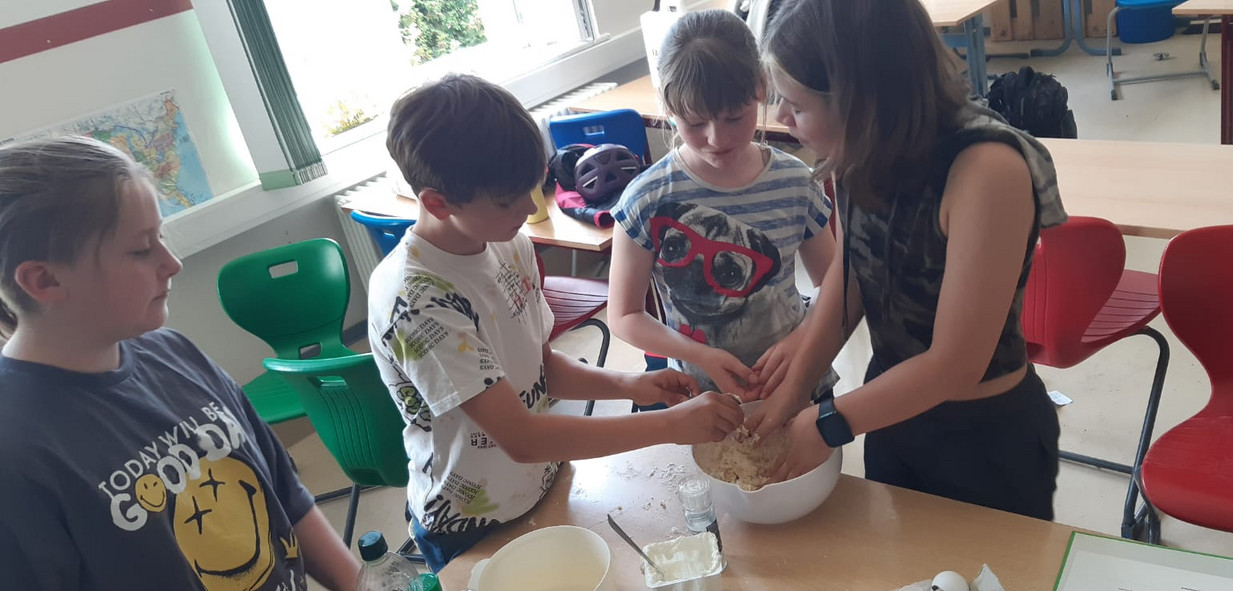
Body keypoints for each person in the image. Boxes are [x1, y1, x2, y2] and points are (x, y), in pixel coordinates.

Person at [370, 73, 745, 572]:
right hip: (470, 522)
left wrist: (632, 385)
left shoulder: (509, 243)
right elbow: (523, 438)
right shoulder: (417, 300)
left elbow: (539, 366)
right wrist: (670, 425)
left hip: (543, 484)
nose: (530, 209)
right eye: (507, 201)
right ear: (437, 202)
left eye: (531, 188)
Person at [750, 0, 1068, 521]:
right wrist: (794, 391)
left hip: (984, 436)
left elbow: (956, 364)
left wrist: (830, 421)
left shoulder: (987, 169)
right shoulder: (858, 146)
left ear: (862, 100)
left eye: (796, 105)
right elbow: (850, 276)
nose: (782, 118)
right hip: (891, 408)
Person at [0, 136, 359, 590]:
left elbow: (287, 496)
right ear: (44, 279)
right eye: (140, 249)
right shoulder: (16, 454)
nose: (172, 264)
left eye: (162, 238)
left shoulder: (175, 352)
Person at [608, 9, 839, 407]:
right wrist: (700, 355)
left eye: (734, 117)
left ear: (761, 87)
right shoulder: (646, 199)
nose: (716, 139)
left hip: (800, 384)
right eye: (696, 123)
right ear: (668, 106)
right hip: (703, 399)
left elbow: (835, 283)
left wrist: (802, 338)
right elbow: (624, 315)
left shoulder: (796, 182)